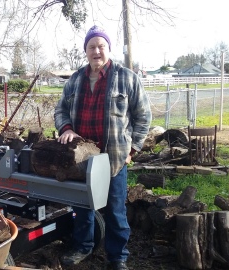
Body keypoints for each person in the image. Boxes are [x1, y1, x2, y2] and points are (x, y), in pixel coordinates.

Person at [54, 25, 152, 270]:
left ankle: (117, 257)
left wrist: (133, 150)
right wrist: (66, 128)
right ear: (85, 50)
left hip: (114, 159)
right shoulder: (76, 79)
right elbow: (60, 109)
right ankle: (83, 246)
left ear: (108, 49)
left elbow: (144, 117)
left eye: (101, 46)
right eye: (91, 47)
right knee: (82, 207)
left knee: (116, 211)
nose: (96, 51)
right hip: (81, 160)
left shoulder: (127, 78)